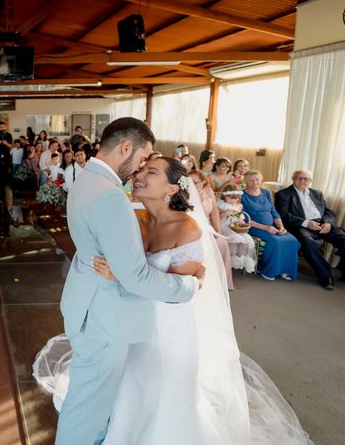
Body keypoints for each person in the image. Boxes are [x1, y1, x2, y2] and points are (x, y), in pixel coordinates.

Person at [35, 158, 313, 445]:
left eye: (150, 172)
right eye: (141, 169)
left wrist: (122, 277)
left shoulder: (188, 229)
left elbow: (173, 294)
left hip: (169, 330)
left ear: (171, 188)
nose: (139, 175)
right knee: (129, 392)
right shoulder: (133, 218)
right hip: (131, 322)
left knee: (165, 398)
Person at [55, 118, 200, 445]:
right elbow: (135, 277)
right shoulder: (111, 196)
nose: (139, 168)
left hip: (87, 304)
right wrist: (186, 287)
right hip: (103, 318)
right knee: (86, 411)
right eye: (141, 158)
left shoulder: (86, 179)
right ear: (125, 148)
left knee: (90, 402)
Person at [275, 169, 345, 290]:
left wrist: (328, 223)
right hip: (302, 225)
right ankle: (326, 276)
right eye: (299, 178)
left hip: (322, 224)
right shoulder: (283, 194)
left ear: (310, 181)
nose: (302, 181)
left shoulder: (317, 193)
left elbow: (329, 212)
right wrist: (307, 223)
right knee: (309, 243)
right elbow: (284, 215)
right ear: (293, 178)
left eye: (306, 178)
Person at [241, 170, 300, 281]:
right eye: (251, 180)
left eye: (257, 179)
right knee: (276, 241)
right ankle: (267, 270)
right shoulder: (242, 196)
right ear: (246, 182)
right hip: (254, 227)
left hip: (272, 226)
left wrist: (281, 226)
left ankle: (284, 270)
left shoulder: (265, 193)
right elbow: (244, 219)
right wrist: (266, 228)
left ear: (261, 179)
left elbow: (274, 211)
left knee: (291, 240)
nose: (255, 182)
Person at [190, 169, 236, 291]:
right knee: (205, 247)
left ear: (203, 182)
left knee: (222, 243)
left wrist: (217, 231)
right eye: (189, 181)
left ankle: (223, 282)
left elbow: (214, 213)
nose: (192, 185)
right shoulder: (186, 193)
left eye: (195, 182)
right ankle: (205, 282)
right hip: (192, 226)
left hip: (208, 224)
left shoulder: (209, 191)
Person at [218, 185, 256, 274]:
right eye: (230, 197)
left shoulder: (239, 206)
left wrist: (242, 223)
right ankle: (226, 259)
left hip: (234, 227)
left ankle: (238, 258)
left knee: (246, 238)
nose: (232, 200)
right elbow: (216, 218)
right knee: (235, 237)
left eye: (235, 198)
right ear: (224, 196)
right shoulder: (221, 205)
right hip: (223, 226)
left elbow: (239, 218)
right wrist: (224, 213)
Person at [0, 121, 13, 192]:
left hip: (7, 154)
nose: (2, 128)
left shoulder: (9, 135)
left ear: (6, 127)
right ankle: (0, 183)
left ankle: (6, 182)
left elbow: (11, 145)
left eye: (3, 126)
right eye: (0, 127)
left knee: (7, 168)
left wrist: (6, 143)